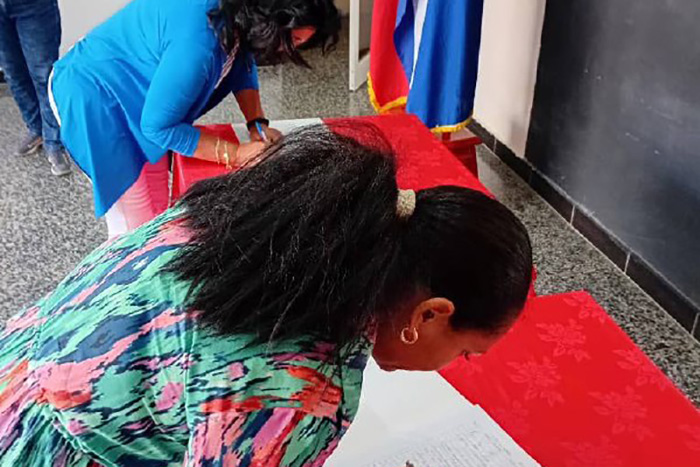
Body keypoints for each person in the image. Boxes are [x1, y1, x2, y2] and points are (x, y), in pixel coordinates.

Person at [0, 125, 533, 466]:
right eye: (466, 352)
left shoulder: (274, 224)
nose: (456, 363)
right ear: (431, 314)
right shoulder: (299, 394)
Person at [49, 0, 341, 238]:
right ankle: (124, 286)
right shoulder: (198, 44)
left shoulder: (239, 15)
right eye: (292, 39)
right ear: (268, 20)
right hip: (94, 97)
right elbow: (159, 126)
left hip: (138, 94)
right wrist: (235, 154)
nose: (289, 50)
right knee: (133, 226)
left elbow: (242, 60)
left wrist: (257, 123)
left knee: (156, 214)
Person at [0, 0, 71, 176]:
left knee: (44, 75)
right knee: (13, 73)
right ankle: (37, 129)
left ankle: (54, 142)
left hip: (33, 5)